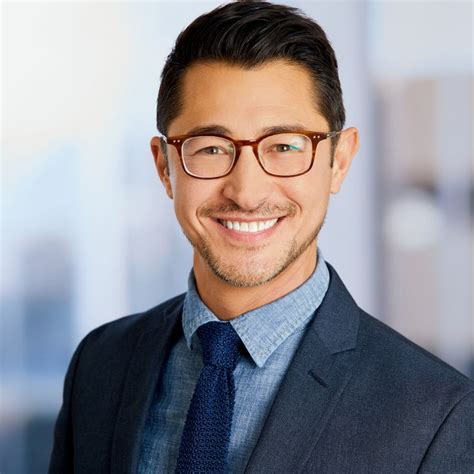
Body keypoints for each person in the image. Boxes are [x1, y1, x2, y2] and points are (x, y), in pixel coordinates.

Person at [49, 1, 474, 473]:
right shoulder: (100, 365)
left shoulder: (437, 415)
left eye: (285, 146)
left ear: (339, 160)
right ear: (164, 167)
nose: (247, 193)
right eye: (211, 148)